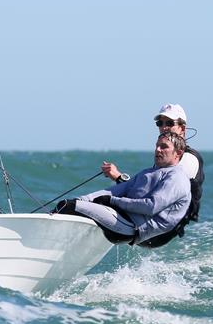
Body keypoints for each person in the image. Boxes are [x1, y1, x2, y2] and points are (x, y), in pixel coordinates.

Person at [55, 131, 191, 247]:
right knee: (74, 204)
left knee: (67, 206)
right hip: (120, 217)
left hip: (131, 228)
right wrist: (85, 199)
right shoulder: (148, 172)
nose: (157, 150)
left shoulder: (177, 177)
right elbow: (114, 191)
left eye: (163, 147)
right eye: (156, 146)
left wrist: (112, 201)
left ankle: (43, 241)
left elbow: (151, 206)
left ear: (178, 153)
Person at [102, 103, 204, 226]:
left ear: (182, 128)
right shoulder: (166, 157)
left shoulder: (189, 159)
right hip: (151, 217)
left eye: (170, 123)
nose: (164, 127)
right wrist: (119, 178)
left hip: (167, 225)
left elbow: (154, 196)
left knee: (106, 205)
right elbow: (147, 192)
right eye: (160, 123)